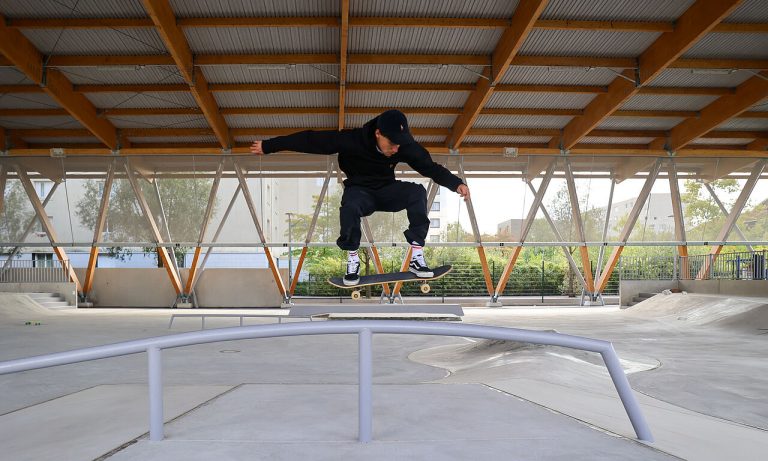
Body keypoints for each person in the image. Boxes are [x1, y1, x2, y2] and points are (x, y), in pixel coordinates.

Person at [250, 110, 470, 286]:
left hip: (386, 190)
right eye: (391, 144)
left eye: (399, 145)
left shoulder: (403, 146)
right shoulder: (351, 140)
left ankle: (416, 255)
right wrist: (269, 146)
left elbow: (430, 168)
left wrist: (456, 183)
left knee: (417, 193)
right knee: (350, 206)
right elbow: (310, 140)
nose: (395, 149)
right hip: (360, 191)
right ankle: (352, 259)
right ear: (378, 133)